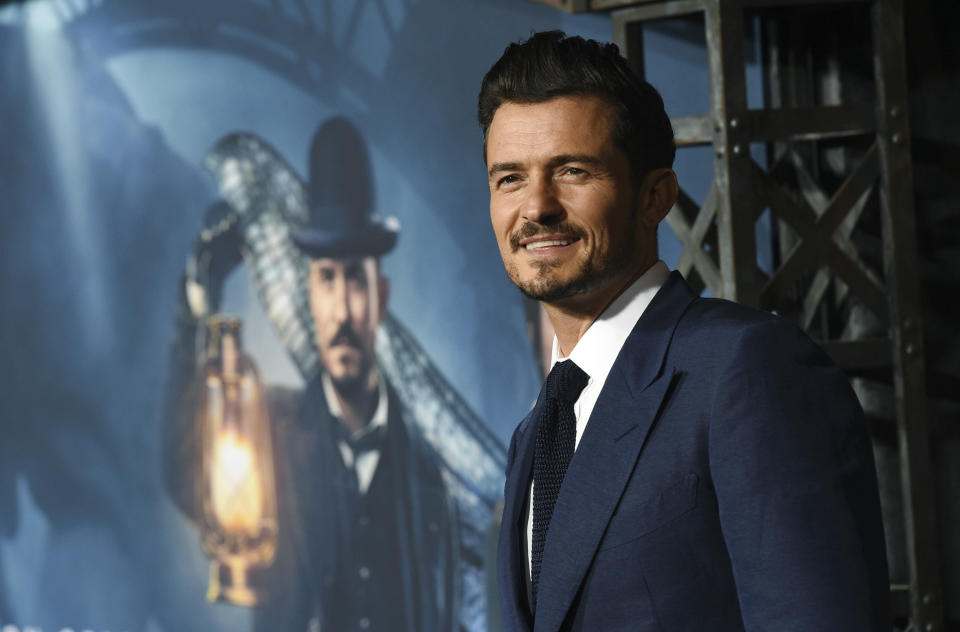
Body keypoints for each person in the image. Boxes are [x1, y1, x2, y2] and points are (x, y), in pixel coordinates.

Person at [479, 31, 890, 631]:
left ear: (655, 198)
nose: (536, 206)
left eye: (572, 171)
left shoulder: (748, 370)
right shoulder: (536, 433)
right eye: (509, 178)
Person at [163, 117, 458, 632]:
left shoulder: (427, 472)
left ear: (381, 298)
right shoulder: (265, 437)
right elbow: (181, 469)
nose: (342, 309)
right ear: (310, 296)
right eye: (326, 280)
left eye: (356, 282)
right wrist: (196, 308)